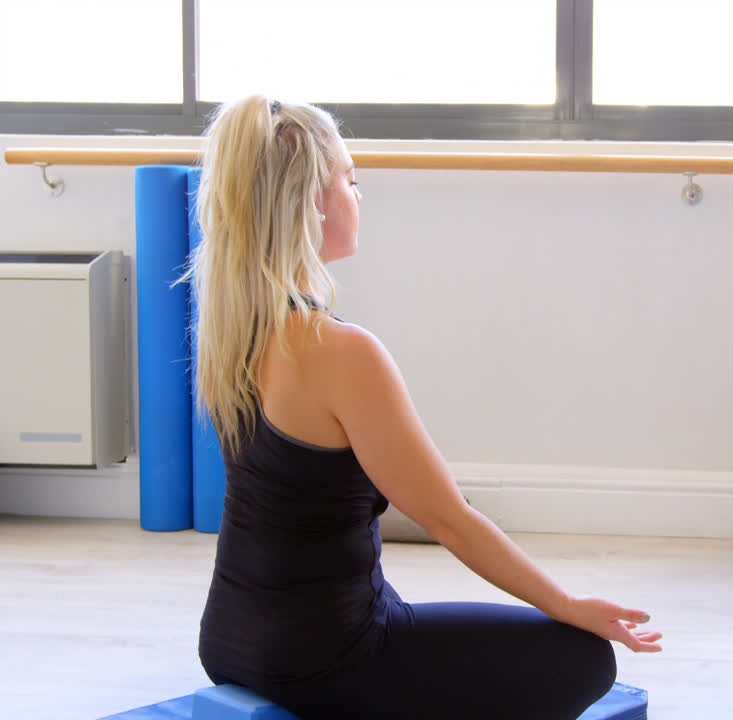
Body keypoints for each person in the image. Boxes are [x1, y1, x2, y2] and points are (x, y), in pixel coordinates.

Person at [188, 95, 662, 720]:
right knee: (587, 660)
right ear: (310, 203)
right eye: (350, 182)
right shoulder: (343, 353)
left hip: (229, 641)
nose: (360, 197)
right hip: (323, 660)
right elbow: (450, 520)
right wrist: (568, 604)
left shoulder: (232, 333)